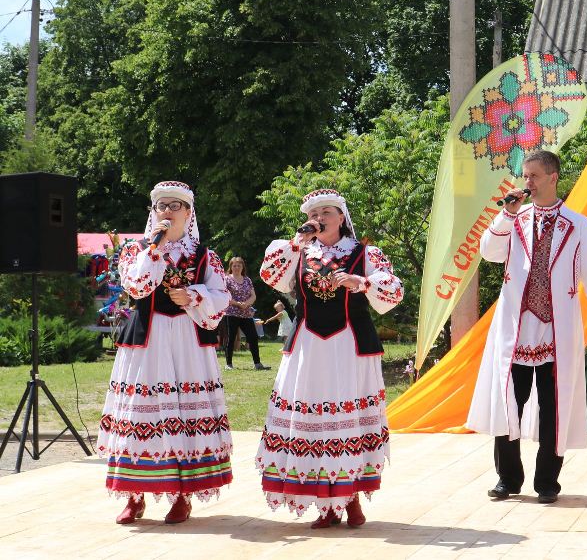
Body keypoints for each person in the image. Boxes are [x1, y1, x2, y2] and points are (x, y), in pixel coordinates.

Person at [467, 150, 587, 505]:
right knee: (509, 403)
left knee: (555, 405)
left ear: (553, 177)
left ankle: (547, 481)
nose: (527, 183)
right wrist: (506, 214)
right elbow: (488, 251)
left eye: (533, 176)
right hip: (516, 326)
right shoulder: (513, 219)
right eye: (525, 175)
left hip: (556, 328)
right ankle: (508, 478)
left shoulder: (578, 224)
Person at [256, 189, 403, 529]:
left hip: (349, 345)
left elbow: (394, 290)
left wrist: (362, 282)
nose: (320, 218)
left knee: (347, 418)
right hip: (310, 345)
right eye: (315, 213)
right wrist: (297, 241)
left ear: (341, 218)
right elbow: (269, 275)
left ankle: (350, 499)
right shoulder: (297, 251)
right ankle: (325, 504)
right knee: (313, 422)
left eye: (327, 212)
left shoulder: (364, 253)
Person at [97, 181, 233, 525]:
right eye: (162, 206)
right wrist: (154, 248)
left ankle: (182, 496)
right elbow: (137, 285)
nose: (168, 212)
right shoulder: (136, 251)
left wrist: (195, 295)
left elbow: (222, 298)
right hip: (148, 340)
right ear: (153, 213)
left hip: (188, 341)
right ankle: (134, 495)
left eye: (176, 206)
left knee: (186, 416)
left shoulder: (205, 256)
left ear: (189, 214)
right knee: (141, 416)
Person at [224, 256, 270, 370]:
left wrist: (246, 303)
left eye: (239, 265)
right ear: (231, 267)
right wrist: (238, 304)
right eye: (234, 265)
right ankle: (228, 364)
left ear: (242, 267)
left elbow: (253, 296)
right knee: (231, 339)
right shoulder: (226, 279)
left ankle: (257, 364)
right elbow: (224, 296)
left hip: (246, 314)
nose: (237, 267)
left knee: (253, 337)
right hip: (232, 313)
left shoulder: (247, 280)